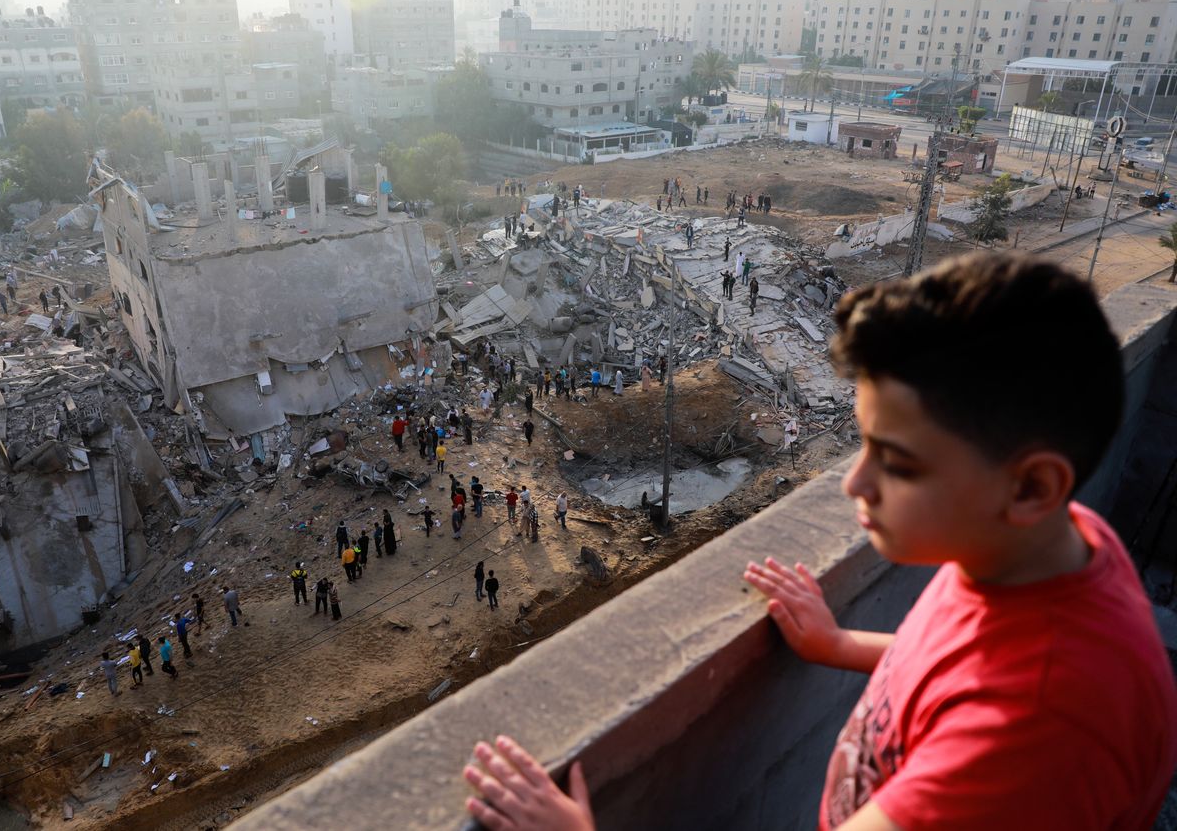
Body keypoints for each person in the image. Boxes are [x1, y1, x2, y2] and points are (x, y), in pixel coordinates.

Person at [464, 253, 1177, 831]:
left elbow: (999, 696)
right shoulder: (1046, 547)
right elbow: (962, 659)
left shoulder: (1031, 742)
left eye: (896, 462)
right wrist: (839, 646)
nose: (852, 482)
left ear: (1029, 488)